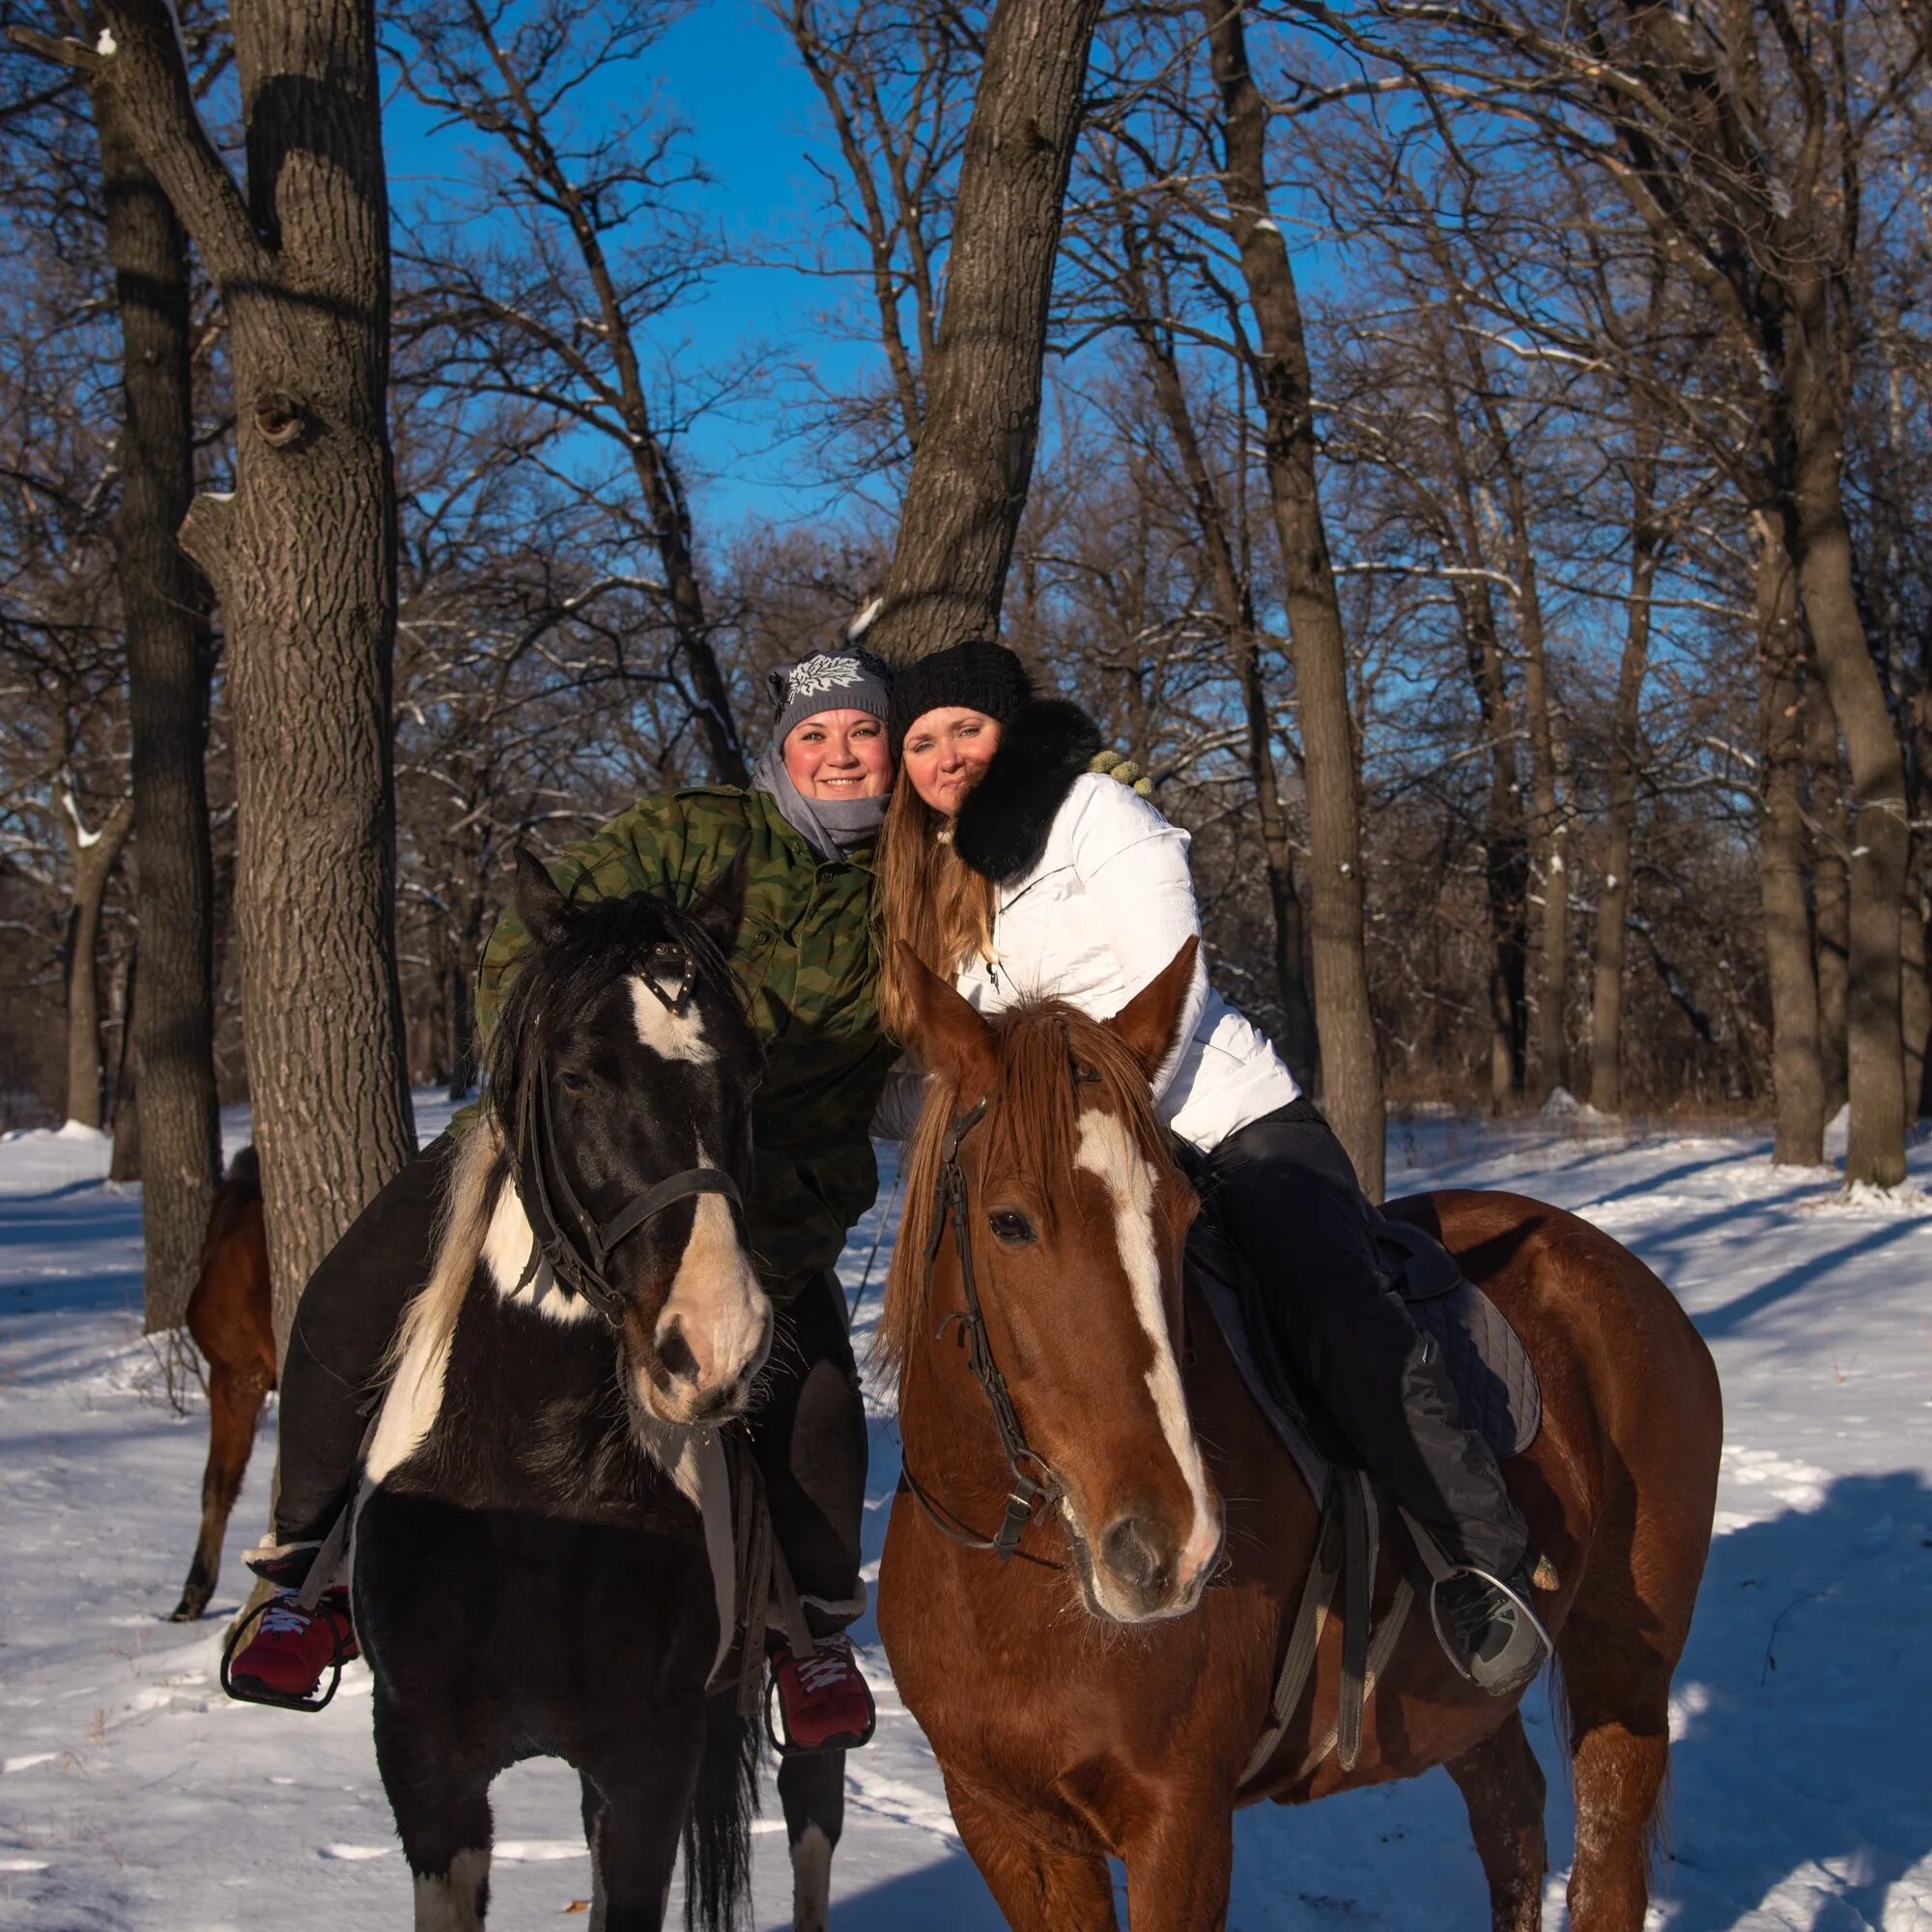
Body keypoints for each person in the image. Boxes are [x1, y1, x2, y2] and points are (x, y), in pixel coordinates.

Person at [227, 646, 900, 1751]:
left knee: (816, 1397)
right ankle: (305, 1575)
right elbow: (527, 941)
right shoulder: (694, 832)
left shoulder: (915, 885)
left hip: (765, 1191)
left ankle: (808, 1633)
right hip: (577, 1145)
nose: (837, 755)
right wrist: (554, 1085)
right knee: (350, 1297)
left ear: (887, 747)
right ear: (781, 750)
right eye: (812, 735)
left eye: (859, 733)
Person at [873, 638, 1550, 1694]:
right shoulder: (936, 877)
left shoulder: (1098, 813)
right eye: (922, 740)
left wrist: (1118, 1138)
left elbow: (1169, 991)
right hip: (1074, 1171)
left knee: (1333, 1303)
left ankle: (1478, 1559)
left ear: (1010, 728)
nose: (947, 755)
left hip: (1219, 1119)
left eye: (966, 727)